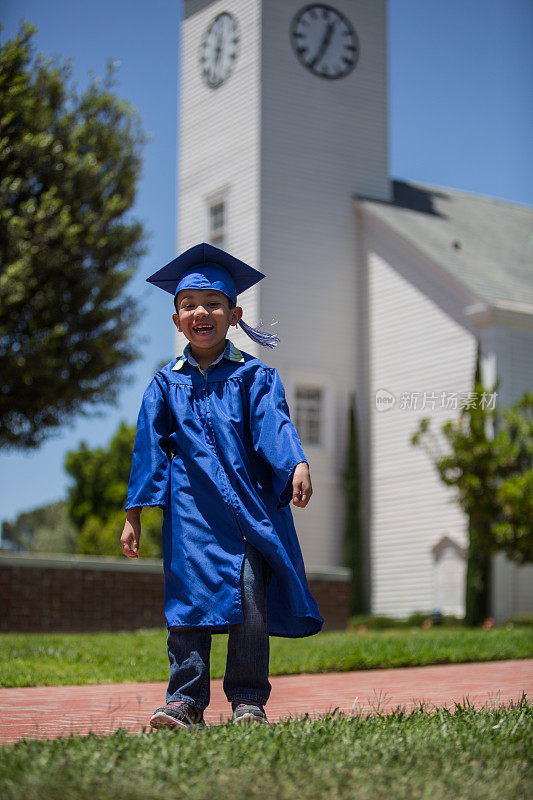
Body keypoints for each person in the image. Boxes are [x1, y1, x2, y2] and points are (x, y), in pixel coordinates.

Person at [121, 242, 324, 730]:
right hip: (192, 514)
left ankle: (248, 701)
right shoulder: (166, 384)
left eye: (213, 303)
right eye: (189, 304)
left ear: (234, 314)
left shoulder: (254, 377)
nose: (201, 312)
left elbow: (273, 425)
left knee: (249, 599)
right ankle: (184, 702)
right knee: (188, 605)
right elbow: (148, 450)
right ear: (176, 320)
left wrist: (295, 461)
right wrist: (134, 514)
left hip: (247, 510)